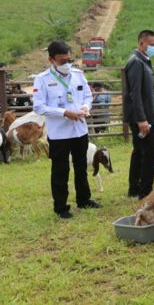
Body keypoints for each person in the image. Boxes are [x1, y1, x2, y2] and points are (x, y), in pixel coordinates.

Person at [33, 40, 100, 219]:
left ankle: (84, 199)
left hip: (80, 130)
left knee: (81, 167)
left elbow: (87, 95)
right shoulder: (42, 80)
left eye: (68, 60)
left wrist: (86, 107)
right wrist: (64, 113)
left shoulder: (78, 74)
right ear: (51, 60)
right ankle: (61, 207)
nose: (66, 64)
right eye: (62, 61)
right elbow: (39, 107)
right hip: (59, 134)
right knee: (60, 170)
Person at [123, 30, 154, 200]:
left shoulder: (143, 61)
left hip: (144, 114)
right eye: (151, 45)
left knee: (139, 151)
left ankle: (134, 187)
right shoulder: (136, 62)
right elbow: (135, 94)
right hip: (143, 117)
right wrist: (141, 119)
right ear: (141, 43)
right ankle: (145, 191)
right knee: (151, 153)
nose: (153, 48)